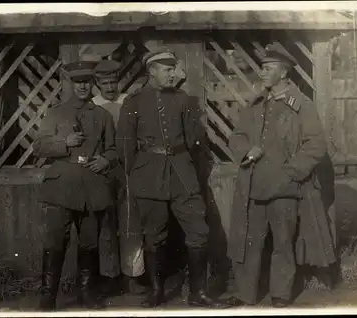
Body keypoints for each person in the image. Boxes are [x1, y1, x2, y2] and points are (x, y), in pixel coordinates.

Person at [116, 49, 231, 309]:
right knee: (154, 235)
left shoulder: (182, 100)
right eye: (167, 70)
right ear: (152, 71)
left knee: (199, 231)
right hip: (148, 175)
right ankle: (157, 292)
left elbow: (194, 141)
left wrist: (191, 169)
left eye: (172, 69)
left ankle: (198, 293)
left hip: (182, 173)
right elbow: (124, 147)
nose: (172, 74)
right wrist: (137, 177)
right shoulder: (133, 102)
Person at [225, 43, 331, 308]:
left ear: (284, 73)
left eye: (268, 68)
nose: (261, 73)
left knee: (283, 243)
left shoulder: (301, 105)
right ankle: (245, 292)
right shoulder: (256, 103)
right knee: (249, 240)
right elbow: (237, 136)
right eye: (262, 67)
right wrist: (246, 150)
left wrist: (291, 172)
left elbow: (316, 144)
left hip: (285, 188)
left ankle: (281, 294)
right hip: (253, 185)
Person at [33, 58, 117, 310]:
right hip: (62, 187)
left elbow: (113, 150)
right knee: (55, 242)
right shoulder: (56, 112)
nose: (82, 86)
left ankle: (86, 294)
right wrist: (64, 143)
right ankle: (48, 298)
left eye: (87, 82)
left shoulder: (102, 116)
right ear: (69, 83)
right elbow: (38, 146)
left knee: (90, 242)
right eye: (77, 82)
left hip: (92, 188)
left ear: (93, 84)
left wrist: (105, 160)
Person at [92, 59, 148, 295]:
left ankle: (133, 275)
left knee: (131, 224)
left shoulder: (129, 101)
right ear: (97, 83)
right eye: (104, 82)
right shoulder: (92, 105)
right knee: (106, 225)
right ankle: (109, 276)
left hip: (129, 170)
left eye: (113, 81)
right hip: (102, 171)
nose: (110, 87)